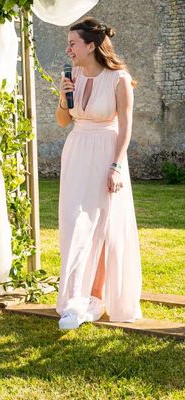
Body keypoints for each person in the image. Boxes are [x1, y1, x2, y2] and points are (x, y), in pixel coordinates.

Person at [56, 17, 142, 330]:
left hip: (106, 151)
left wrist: (116, 166)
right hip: (76, 151)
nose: (68, 49)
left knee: (103, 227)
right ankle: (75, 299)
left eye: (72, 43)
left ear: (91, 46)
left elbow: (126, 127)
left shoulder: (119, 78)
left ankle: (94, 298)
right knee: (74, 224)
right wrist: (63, 96)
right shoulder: (71, 75)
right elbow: (64, 122)